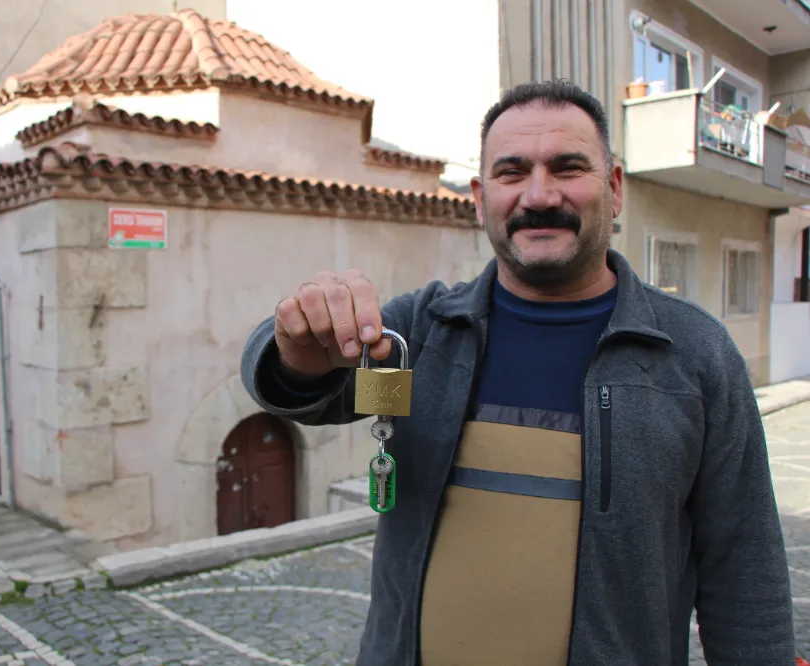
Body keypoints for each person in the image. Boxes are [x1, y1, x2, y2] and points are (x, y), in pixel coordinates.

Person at [240, 79, 794, 665]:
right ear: (479, 197)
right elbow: (294, 387)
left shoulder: (694, 354)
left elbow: (744, 565)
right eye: (511, 172)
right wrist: (297, 352)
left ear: (614, 188)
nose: (538, 194)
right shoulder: (419, 335)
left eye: (567, 167)